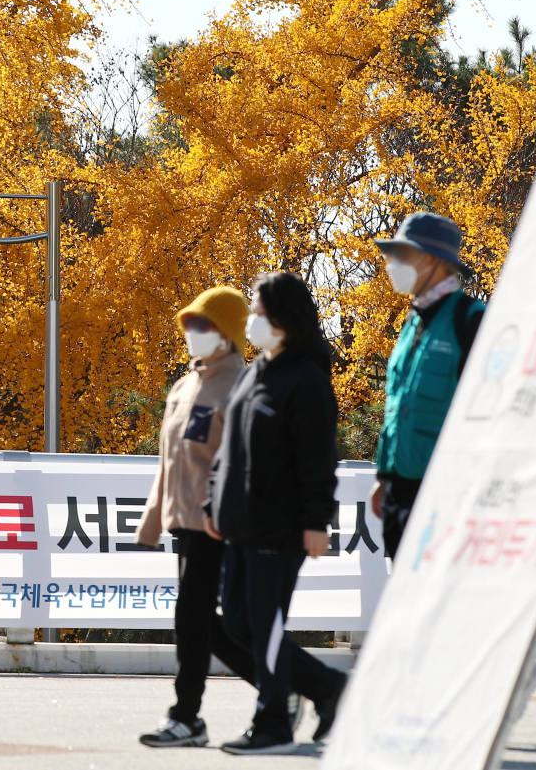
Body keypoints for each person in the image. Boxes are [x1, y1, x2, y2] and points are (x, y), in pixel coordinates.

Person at [136, 287, 305, 748]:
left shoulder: (239, 385)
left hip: (218, 523)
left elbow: (240, 461)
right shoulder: (184, 385)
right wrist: (152, 522)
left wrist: (226, 513)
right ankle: (293, 686)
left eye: (203, 324)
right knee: (208, 625)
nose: (192, 332)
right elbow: (169, 462)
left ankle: (186, 716)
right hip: (183, 522)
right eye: (189, 323)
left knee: (196, 621)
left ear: (227, 333)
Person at [205, 272, 349, 755]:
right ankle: (330, 689)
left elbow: (317, 459)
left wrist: (316, 521)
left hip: (280, 526)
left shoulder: (307, 379)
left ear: (286, 319)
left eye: (261, 312)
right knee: (237, 624)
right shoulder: (254, 372)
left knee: (263, 625)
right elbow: (228, 445)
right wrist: (212, 502)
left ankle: (273, 725)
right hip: (239, 524)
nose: (253, 320)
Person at [369, 212, 484, 558]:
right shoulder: (412, 320)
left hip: (446, 496)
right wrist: (384, 476)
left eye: (403, 255)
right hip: (400, 493)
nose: (392, 264)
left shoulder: (471, 318)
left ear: (433, 260)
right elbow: (397, 404)